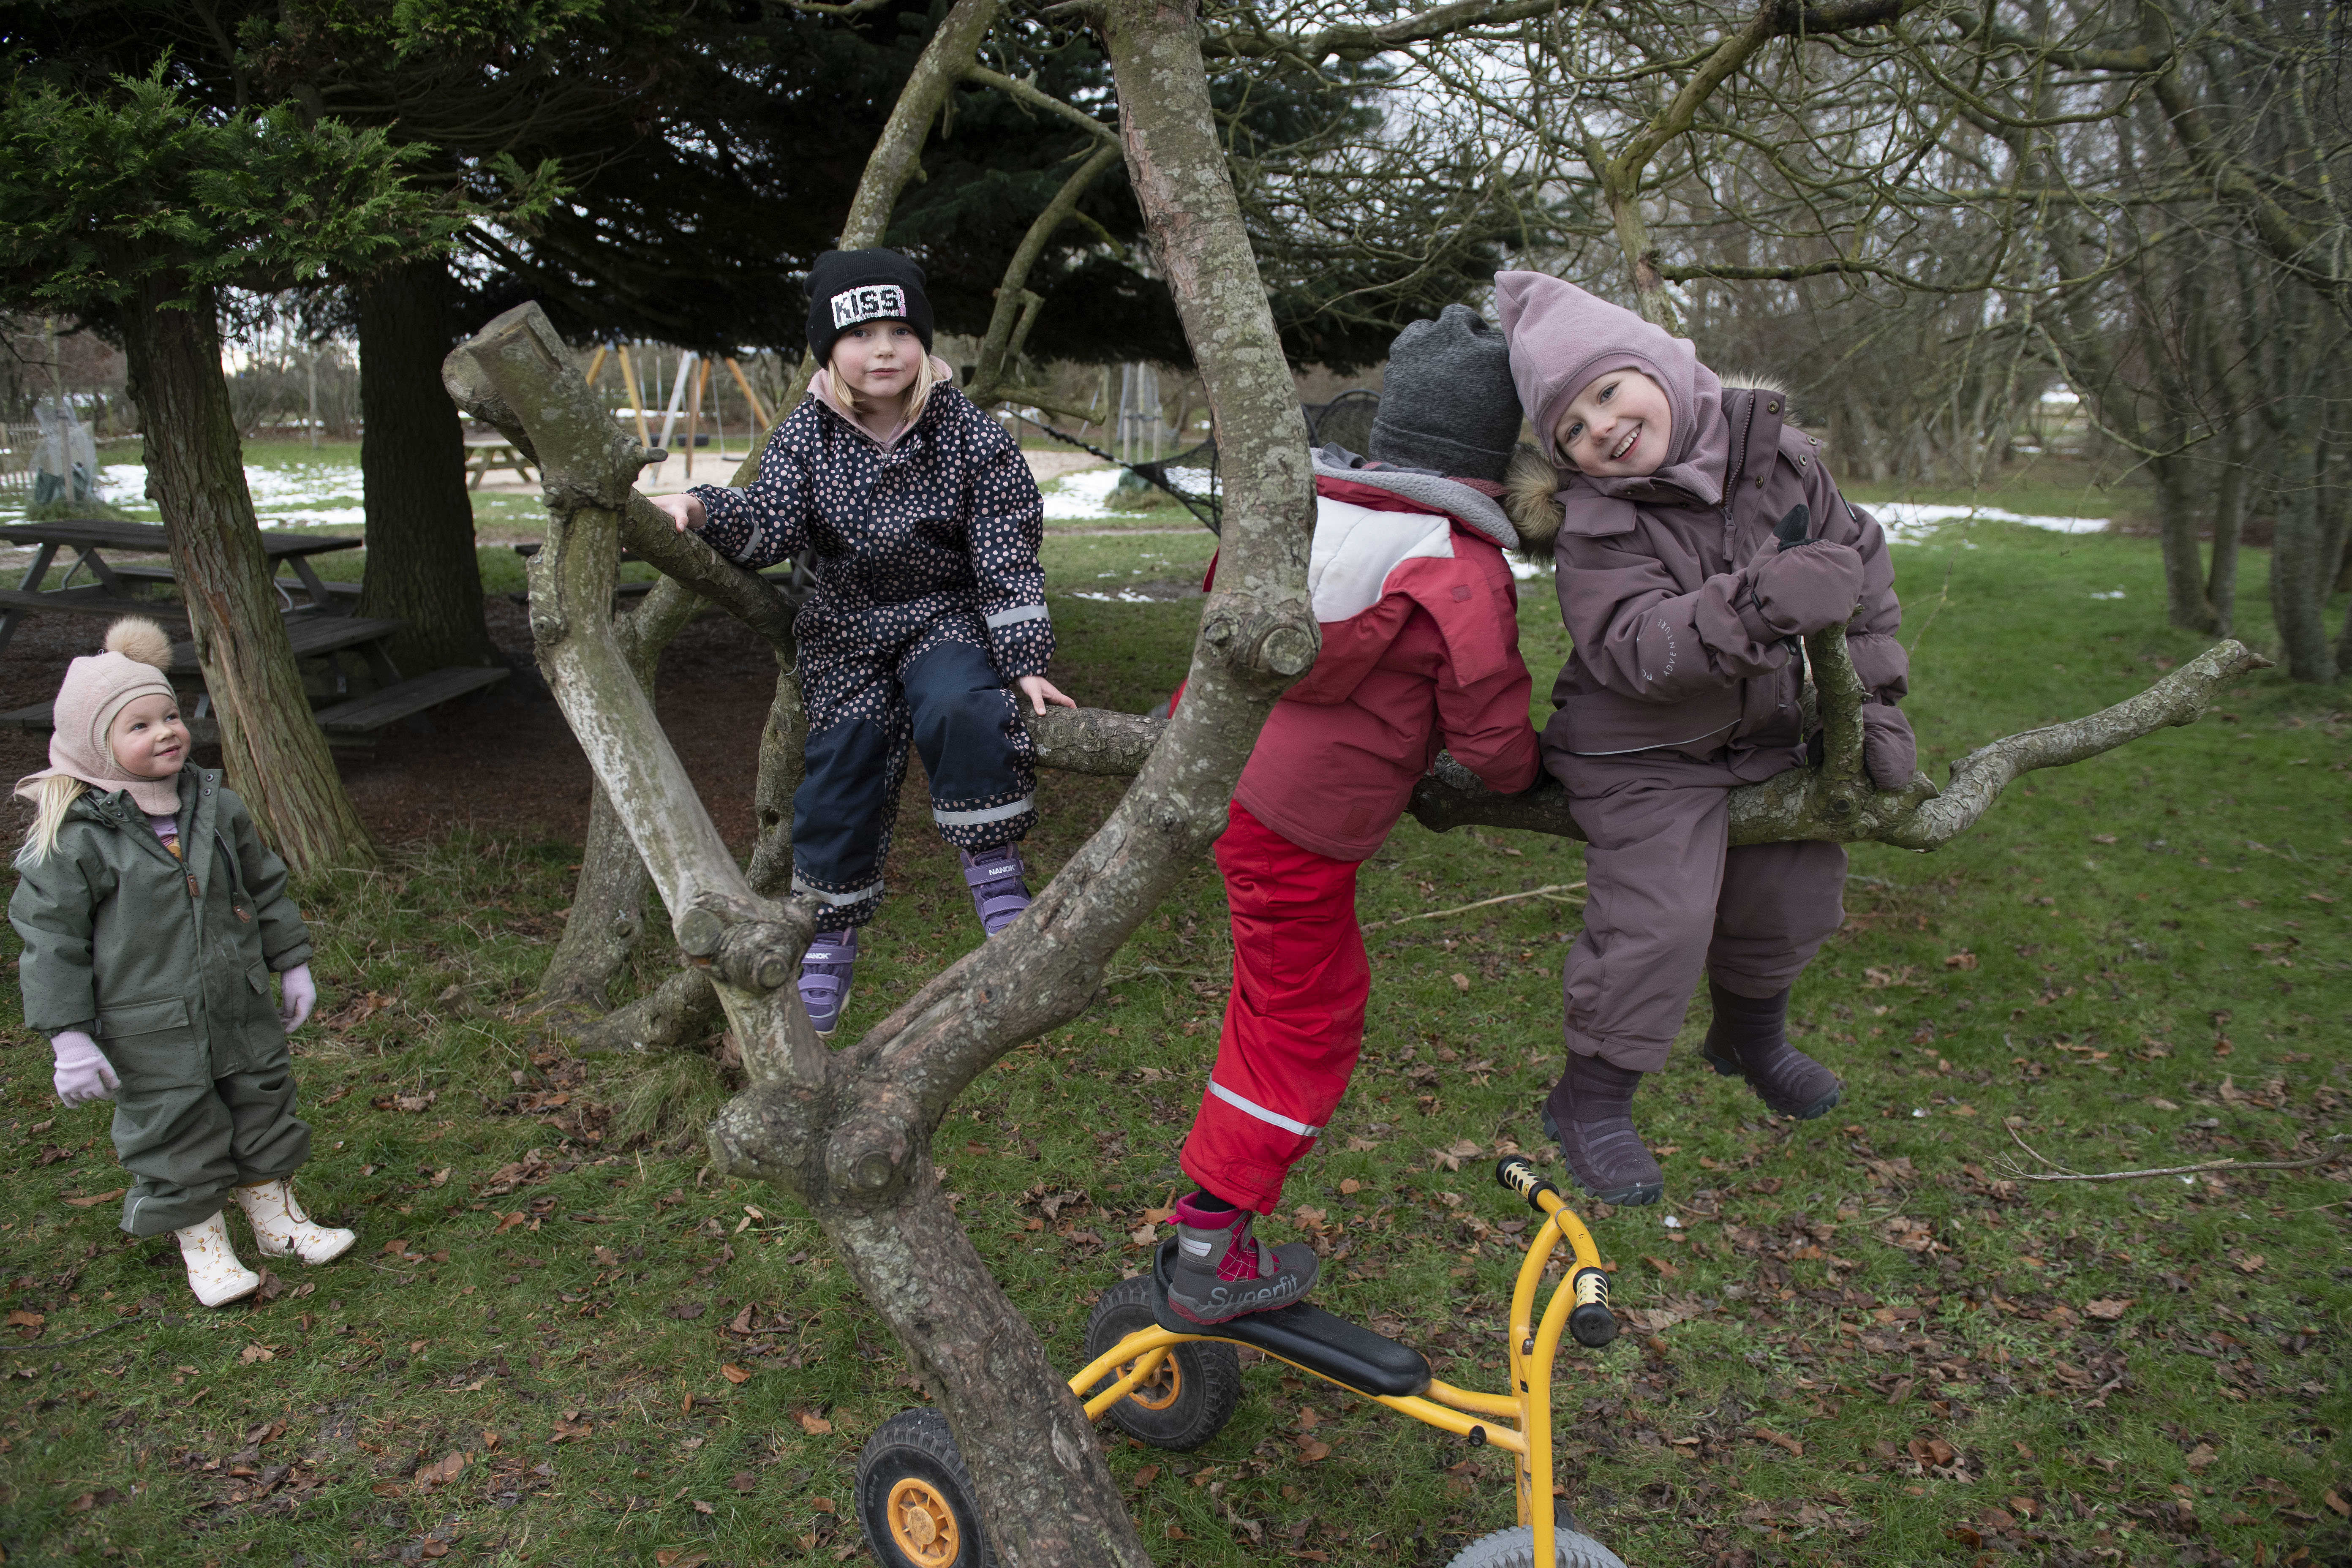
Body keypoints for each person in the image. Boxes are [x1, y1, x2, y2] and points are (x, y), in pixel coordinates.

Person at [1160, 307, 1550, 1324]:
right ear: (1491, 464)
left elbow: (1229, 631)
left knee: (1270, 996)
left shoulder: (1304, 520)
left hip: (1227, 779)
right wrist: (1527, 772)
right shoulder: (1459, 571)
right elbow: (1491, 734)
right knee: (1306, 1021)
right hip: (1300, 831)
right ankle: (1211, 1241)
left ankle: (1214, 1222)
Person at [1494, 271, 1915, 1207]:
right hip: (1639, 750)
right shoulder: (1597, 524)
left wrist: (1876, 704)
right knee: (1662, 916)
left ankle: (1750, 1035)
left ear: (1664, 365)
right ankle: (1592, 1095)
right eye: (1571, 428)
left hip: (1765, 729)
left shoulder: (1787, 459)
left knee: (1798, 889)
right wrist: (1760, 603)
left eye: (1608, 390)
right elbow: (1640, 646)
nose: (1599, 426)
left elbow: (1866, 567)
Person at [651, 249, 1072, 1038]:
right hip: (844, 631)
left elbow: (1005, 545)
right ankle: (830, 937)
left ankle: (996, 871)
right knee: (841, 768)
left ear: (924, 343)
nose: (884, 350)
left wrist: (1023, 661)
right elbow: (768, 518)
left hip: (940, 615)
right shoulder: (805, 435)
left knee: (959, 705)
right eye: (861, 335)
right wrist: (701, 509)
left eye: (900, 331)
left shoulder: (969, 435)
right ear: (829, 350)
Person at [11, 618, 352, 1308]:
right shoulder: (77, 839)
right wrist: (70, 1037)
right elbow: (50, 941)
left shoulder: (213, 805)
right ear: (93, 745)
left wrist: (292, 966)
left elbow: (264, 887)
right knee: (175, 1127)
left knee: (261, 1102)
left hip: (239, 1001)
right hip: (149, 1025)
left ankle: (278, 1222)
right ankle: (205, 1245)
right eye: (138, 726)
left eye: (170, 715)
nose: (166, 731)